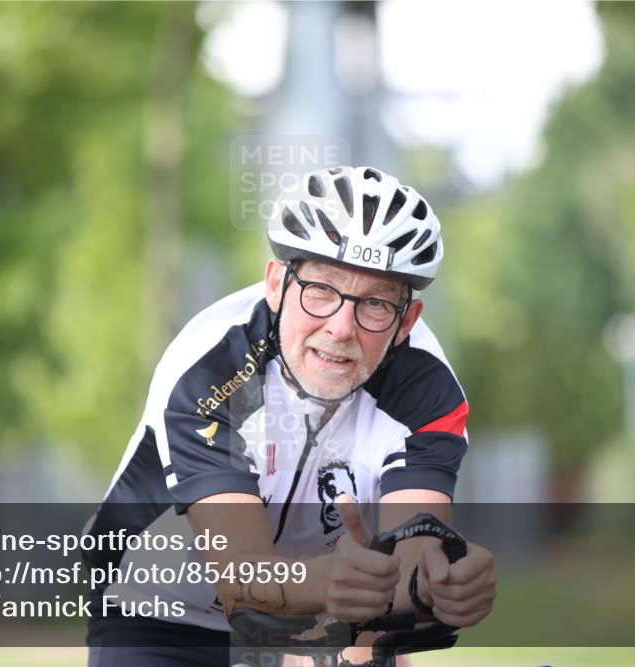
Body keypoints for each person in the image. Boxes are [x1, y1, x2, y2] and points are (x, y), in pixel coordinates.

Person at [84, 166, 496, 666]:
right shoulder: (211, 367)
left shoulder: (428, 392)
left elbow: (411, 555)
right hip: (158, 612)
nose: (341, 328)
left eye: (375, 303)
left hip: (320, 614)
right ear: (277, 284)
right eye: (321, 288)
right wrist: (331, 583)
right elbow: (240, 580)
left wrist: (441, 585)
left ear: (406, 320)